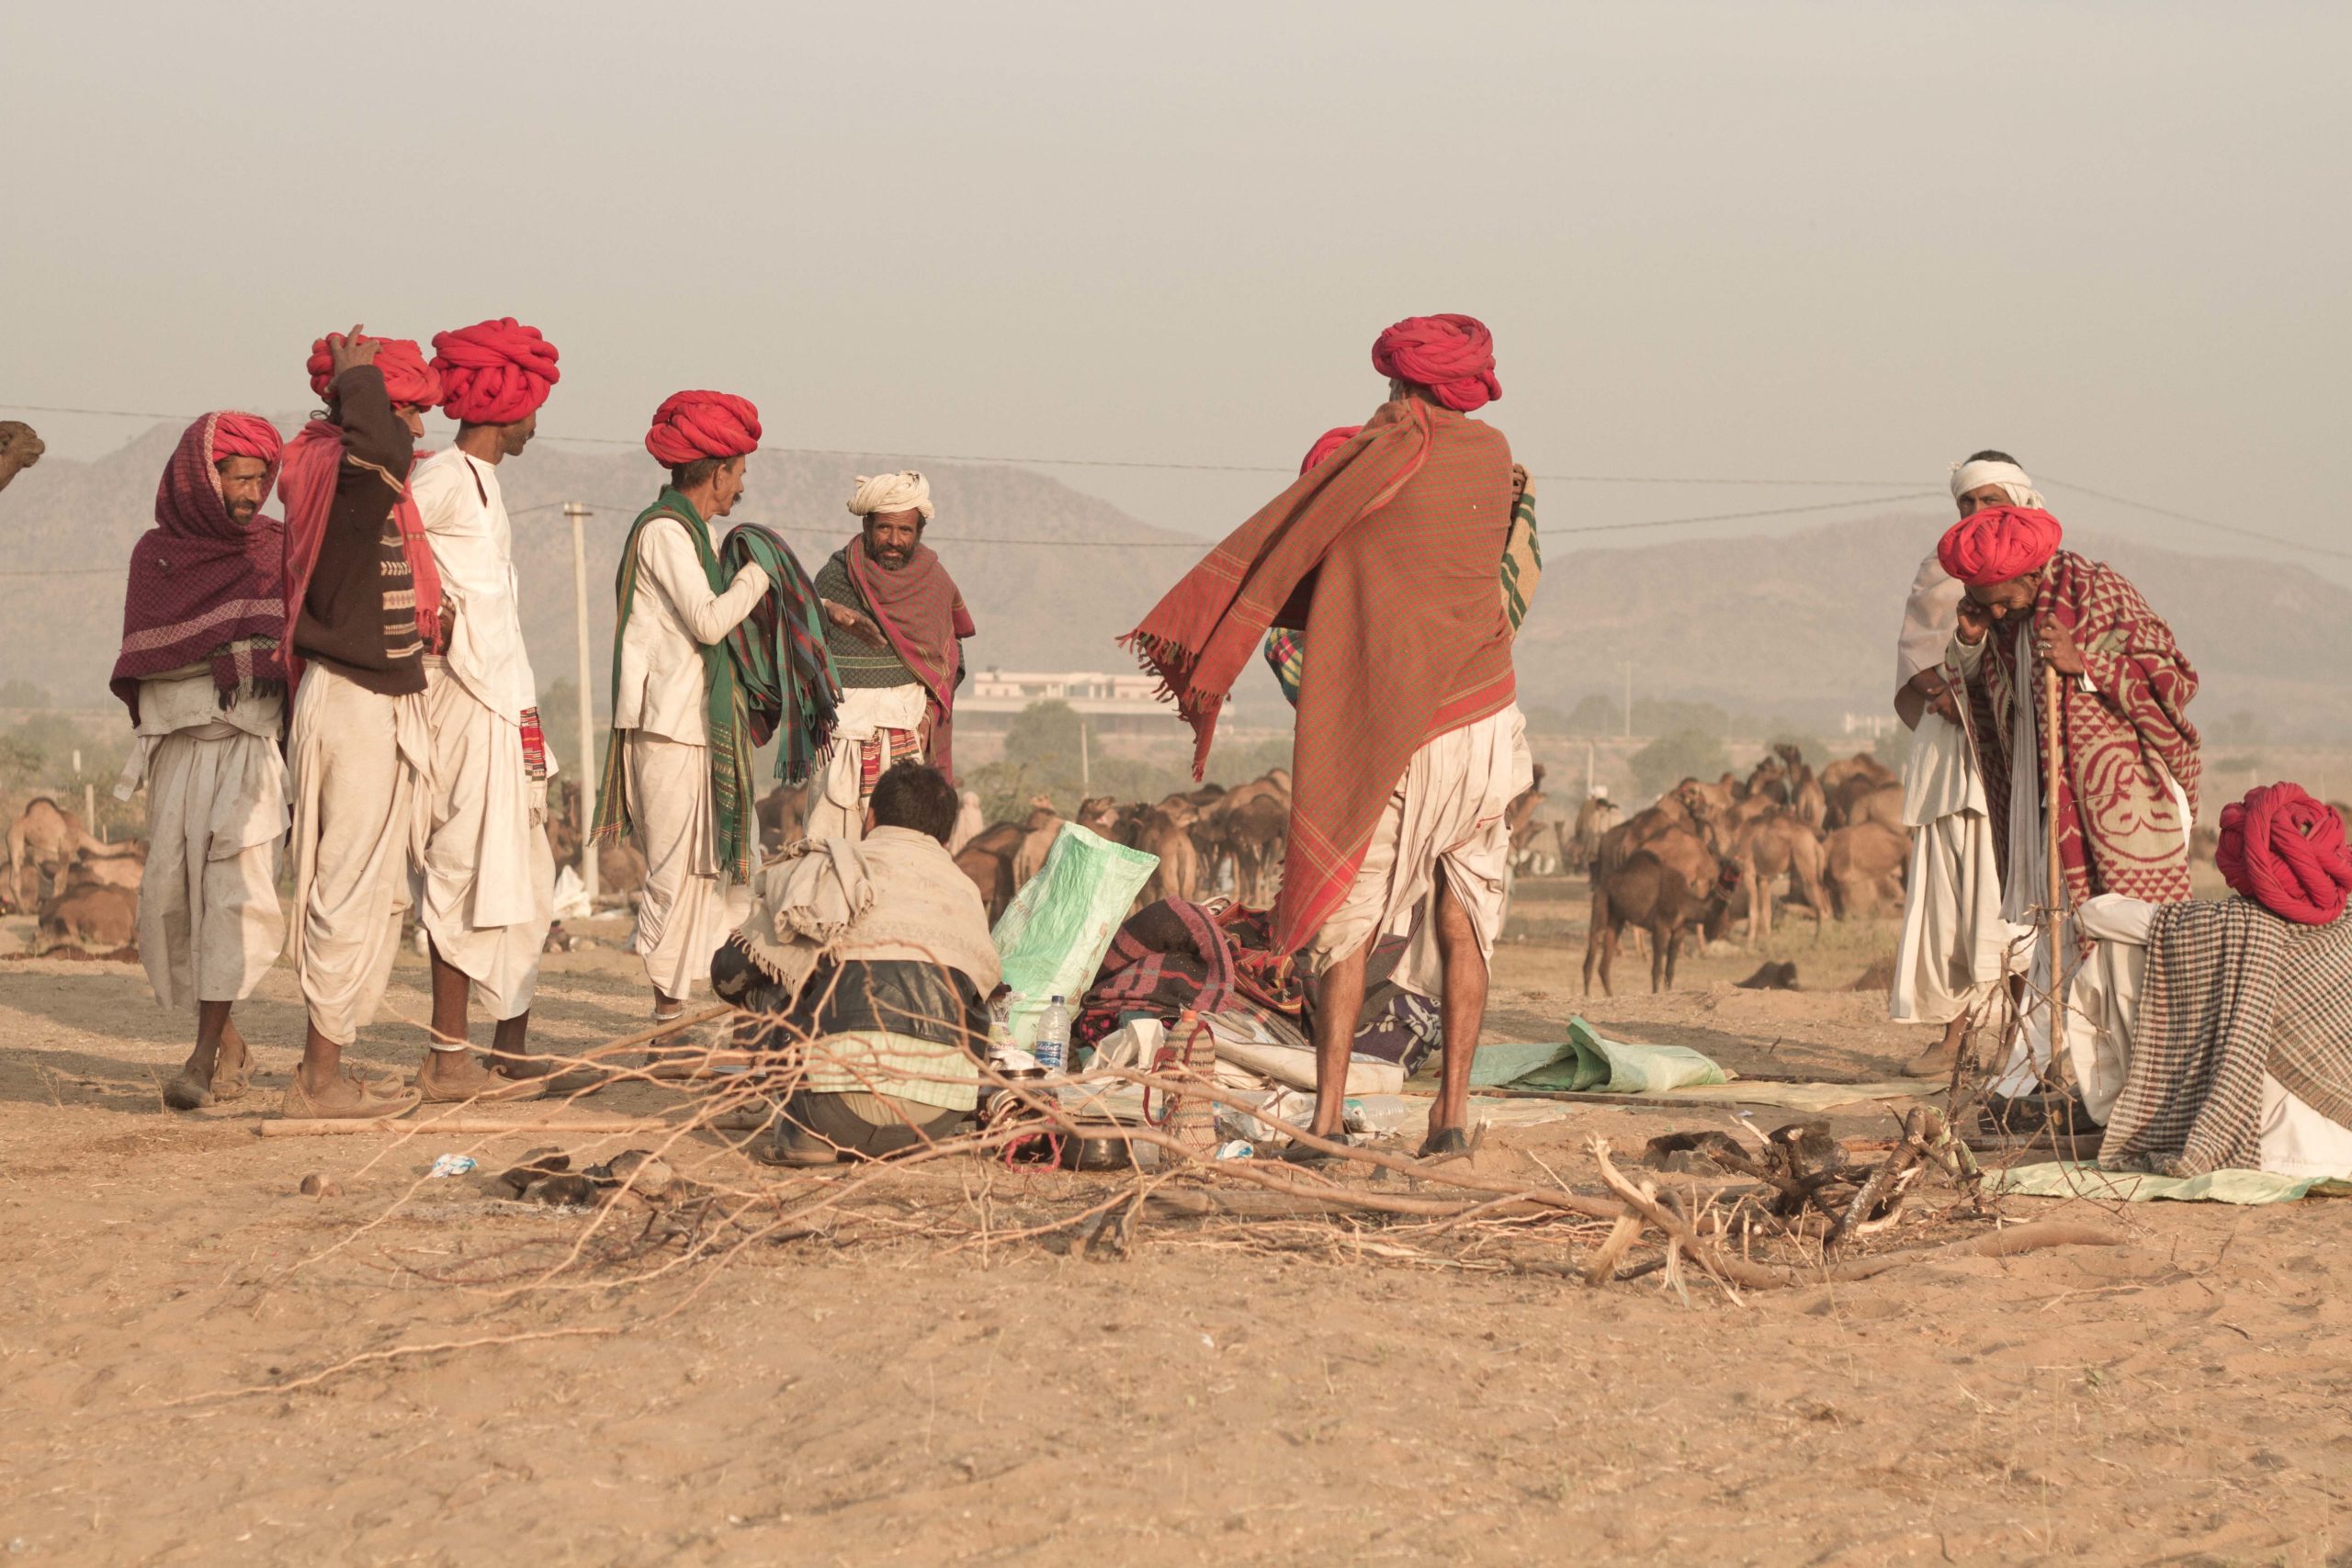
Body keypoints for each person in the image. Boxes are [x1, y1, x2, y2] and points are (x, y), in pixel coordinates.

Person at [1127, 312, 1532, 1161]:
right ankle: (1450, 1118)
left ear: (1405, 385)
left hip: (1400, 727)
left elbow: (1300, 542)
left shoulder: (1381, 454)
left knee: (1344, 922)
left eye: (1392, 385)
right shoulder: (1495, 461)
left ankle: (1324, 1118)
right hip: (1490, 724)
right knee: (1466, 923)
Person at [1937, 502, 2202, 1098]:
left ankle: (2140, 1083)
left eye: (2002, 599)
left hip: (2126, 810)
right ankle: (2038, 1081)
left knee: (2119, 946)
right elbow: (1989, 706)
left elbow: (2175, 675)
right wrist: (1973, 643)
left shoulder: (2098, 591)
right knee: (2058, 944)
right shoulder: (2004, 620)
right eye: (1985, 602)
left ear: (2034, 575)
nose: (1998, 611)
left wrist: (2087, 664)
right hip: (2051, 815)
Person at [277, 329, 452, 1117]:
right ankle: (317, 1080)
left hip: (364, 696)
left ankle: (328, 1067)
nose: (418, 430)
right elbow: (383, 440)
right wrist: (360, 383)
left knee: (363, 885)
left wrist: (362, 394)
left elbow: (384, 442)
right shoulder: (344, 469)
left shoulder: (343, 472)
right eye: (408, 409)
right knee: (346, 885)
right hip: (350, 699)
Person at [109, 412, 291, 1111]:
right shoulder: (156, 556)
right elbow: (144, 656)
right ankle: (226, 1036)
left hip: (248, 746)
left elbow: (292, 644)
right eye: (239, 478)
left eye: (259, 478)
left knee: (233, 894)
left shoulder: (275, 548)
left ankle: (199, 1057)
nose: (252, 493)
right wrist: (221, 658)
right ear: (201, 478)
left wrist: (236, 659)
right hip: (176, 747)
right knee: (171, 899)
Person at [2047, 784, 2352, 1179]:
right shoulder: (2345, 925)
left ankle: (2130, 1109)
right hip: (2341, 1147)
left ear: (2240, 864)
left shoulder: (2219, 925)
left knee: (2118, 950)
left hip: (2265, 1154)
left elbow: (2091, 915)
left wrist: (2176, 925)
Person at [407, 318, 563, 1089]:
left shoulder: (481, 483)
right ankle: (447, 1055)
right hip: (462, 700)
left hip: (509, 703)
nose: (537, 422)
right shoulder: (438, 477)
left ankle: (511, 1044)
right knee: (461, 870)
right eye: (533, 404)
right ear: (507, 403)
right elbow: (389, 543)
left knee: (529, 872)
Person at [712, 761, 999, 1165]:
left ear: (871, 817)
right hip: (937, 1118)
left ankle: (805, 1133)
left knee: (774, 973)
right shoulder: (965, 891)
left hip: (832, 1114)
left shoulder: (823, 868)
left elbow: (727, 976)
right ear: (946, 835)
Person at [592, 390, 772, 1023]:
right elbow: (709, 619)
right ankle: (668, 1024)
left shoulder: (700, 536)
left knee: (703, 875)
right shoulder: (667, 533)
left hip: (695, 727)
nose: (741, 486)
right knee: (673, 875)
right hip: (666, 728)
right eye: (740, 471)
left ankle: (688, 1013)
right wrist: (761, 573)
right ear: (717, 470)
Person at [1890, 451, 2042, 1077]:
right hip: (1953, 756)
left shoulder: (2045, 568)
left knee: (2012, 903)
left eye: (1990, 500)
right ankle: (1955, 1038)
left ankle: (2014, 1039)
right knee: (1952, 899)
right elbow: (1916, 656)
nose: (1977, 514)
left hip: (2014, 752)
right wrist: (1948, 693)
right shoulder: (1941, 564)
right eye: (1966, 504)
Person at [805, 471, 975, 844]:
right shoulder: (836, 576)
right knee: (829, 848)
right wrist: (827, 607)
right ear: (867, 524)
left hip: (905, 737)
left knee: (901, 848)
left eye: (905, 531)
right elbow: (803, 642)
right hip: (840, 740)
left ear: (919, 532)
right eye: (884, 529)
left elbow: (950, 660)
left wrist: (930, 715)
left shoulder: (935, 582)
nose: (894, 541)